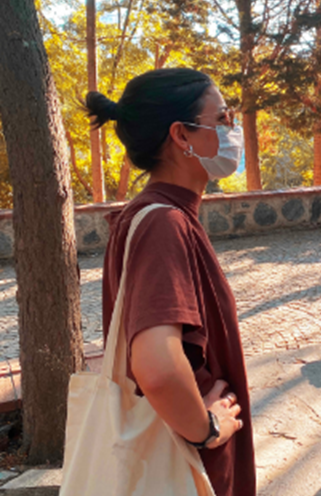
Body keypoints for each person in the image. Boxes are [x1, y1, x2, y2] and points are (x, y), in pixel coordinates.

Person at [86, 68, 255, 496]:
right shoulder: (165, 223)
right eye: (222, 119)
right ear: (181, 136)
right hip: (188, 464)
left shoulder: (155, 215)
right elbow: (157, 368)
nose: (232, 130)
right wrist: (208, 428)